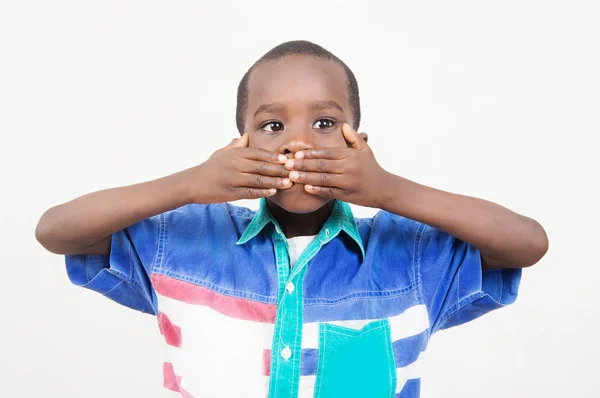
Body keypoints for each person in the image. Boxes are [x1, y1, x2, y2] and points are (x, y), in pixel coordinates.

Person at [35, 40, 548, 398]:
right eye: (271, 124)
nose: (297, 142)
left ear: (358, 143)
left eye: (325, 123)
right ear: (240, 144)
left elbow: (526, 243)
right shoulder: (184, 239)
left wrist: (388, 190)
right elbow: (57, 230)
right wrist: (192, 183)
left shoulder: (410, 258)